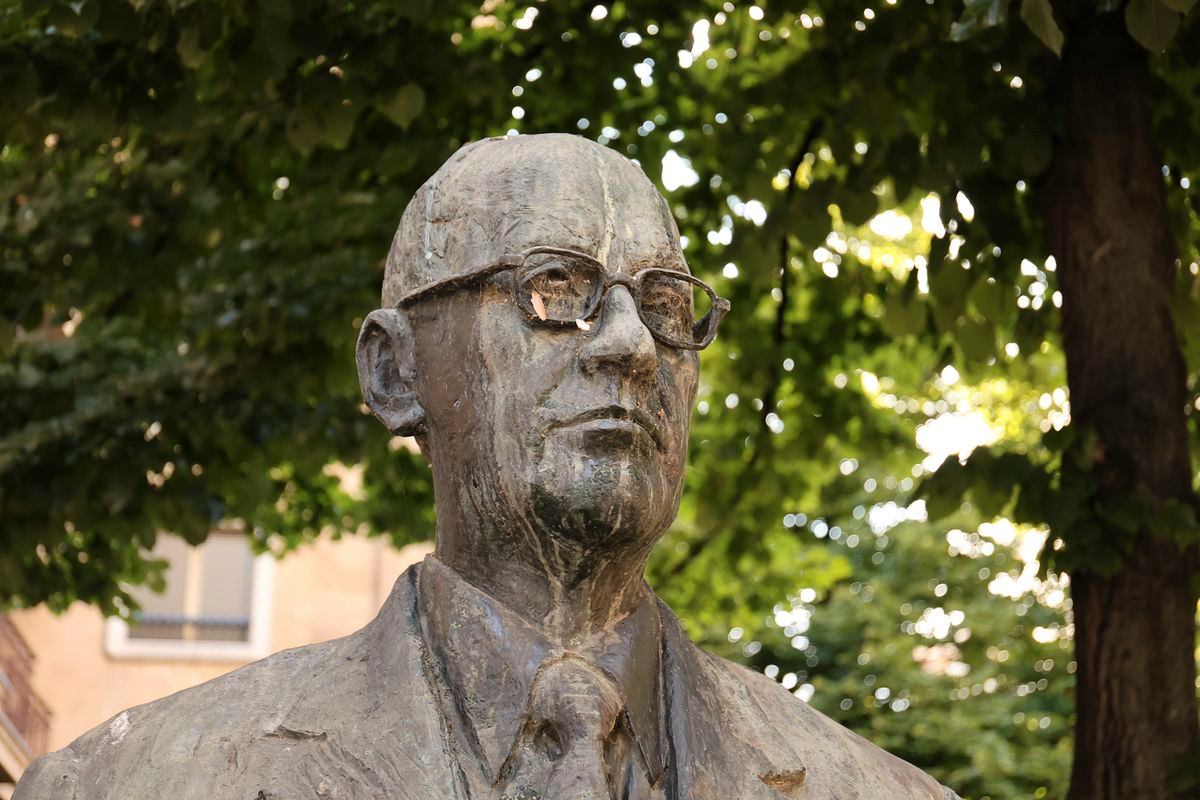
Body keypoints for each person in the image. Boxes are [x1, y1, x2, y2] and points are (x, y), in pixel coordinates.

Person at [16, 133, 959, 799]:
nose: (632, 346)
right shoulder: (123, 784)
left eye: (667, 304)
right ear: (395, 371)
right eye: (557, 289)